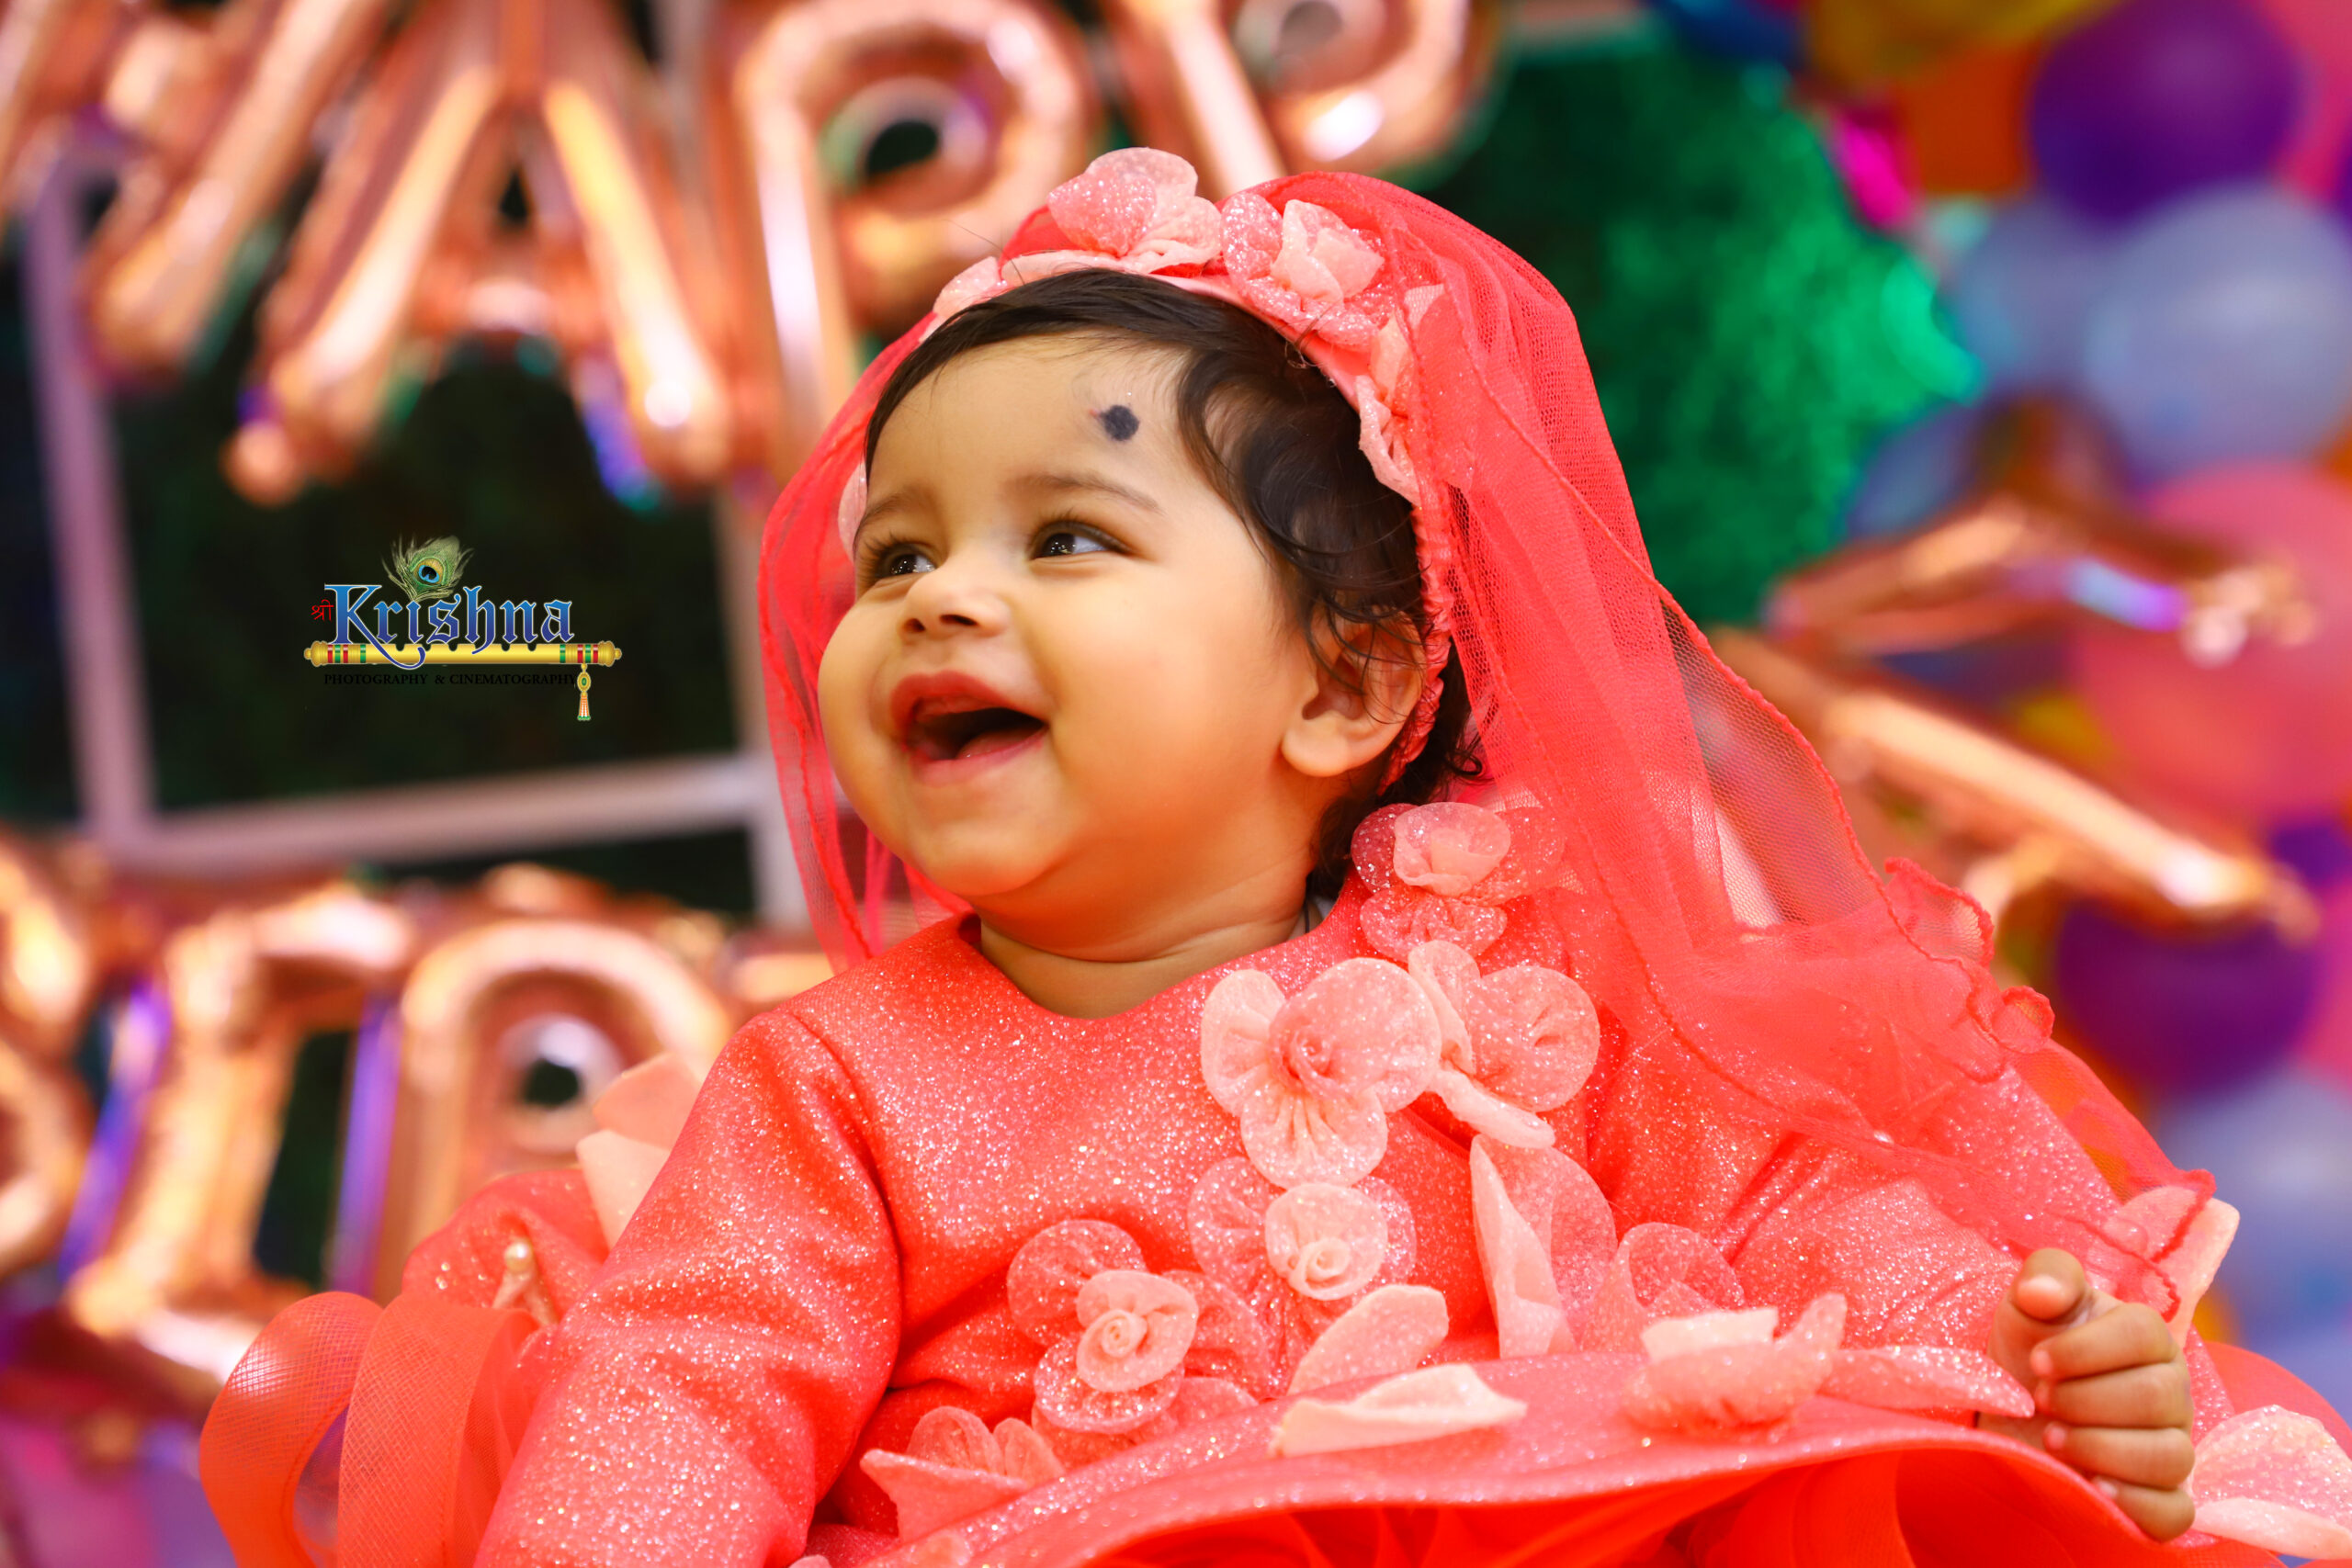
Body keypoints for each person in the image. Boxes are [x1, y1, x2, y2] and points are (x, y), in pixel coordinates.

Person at [200, 151, 2352, 1568]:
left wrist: (2004, 1335)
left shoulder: (1533, 978)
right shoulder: (840, 1080)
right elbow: (685, 1379)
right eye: (895, 555)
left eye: (1063, 535)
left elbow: (1793, 1199)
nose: (937, 599)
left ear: (1342, 684)